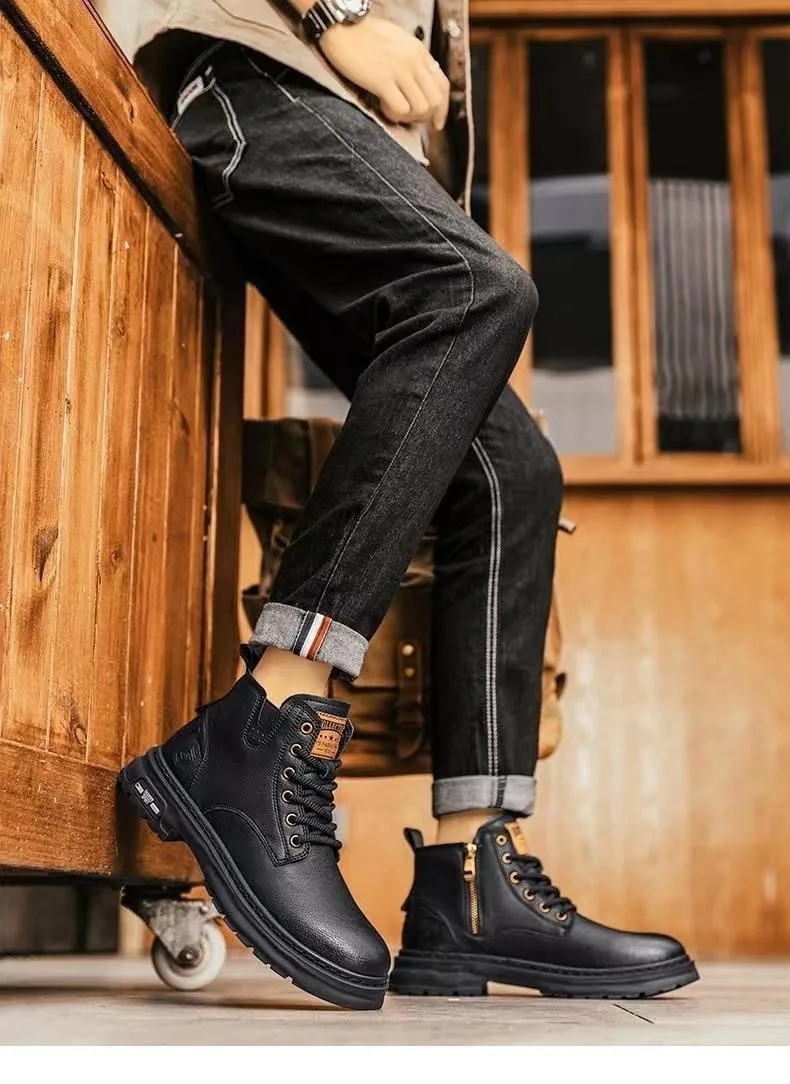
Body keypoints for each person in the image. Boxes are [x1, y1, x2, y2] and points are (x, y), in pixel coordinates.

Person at [120, 0, 698, 1010]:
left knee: (511, 472)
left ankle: (468, 879)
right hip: (256, 68)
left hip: (342, 114)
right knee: (474, 289)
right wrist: (333, 13)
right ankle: (267, 717)